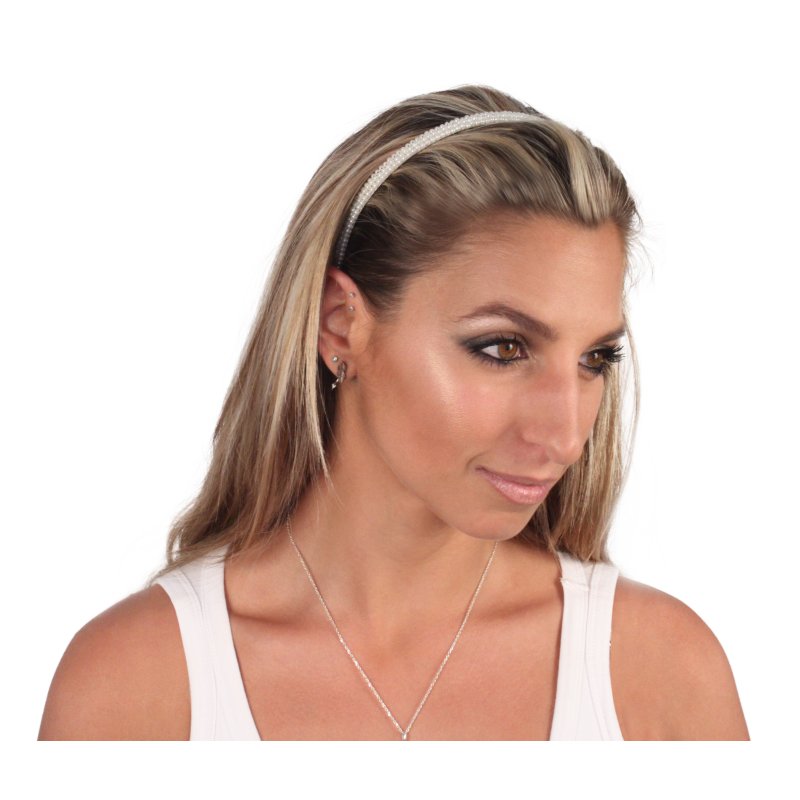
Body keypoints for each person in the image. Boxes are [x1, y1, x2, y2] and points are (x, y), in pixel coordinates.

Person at [38, 85, 749, 741]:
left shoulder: (660, 674)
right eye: (502, 348)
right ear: (341, 324)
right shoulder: (135, 688)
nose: (564, 435)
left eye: (596, 359)